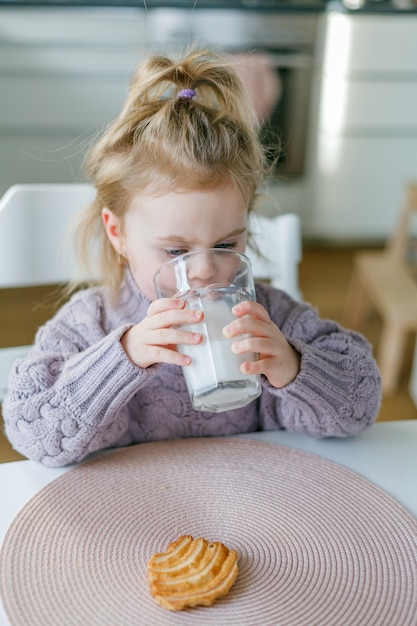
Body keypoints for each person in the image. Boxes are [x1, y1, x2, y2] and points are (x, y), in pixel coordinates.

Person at [3, 48, 381, 467]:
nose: (203, 270)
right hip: (134, 509)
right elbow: (33, 434)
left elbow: (360, 407)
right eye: (176, 251)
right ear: (119, 233)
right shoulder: (90, 324)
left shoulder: (271, 318)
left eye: (225, 245)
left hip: (249, 501)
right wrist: (121, 357)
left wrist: (293, 367)